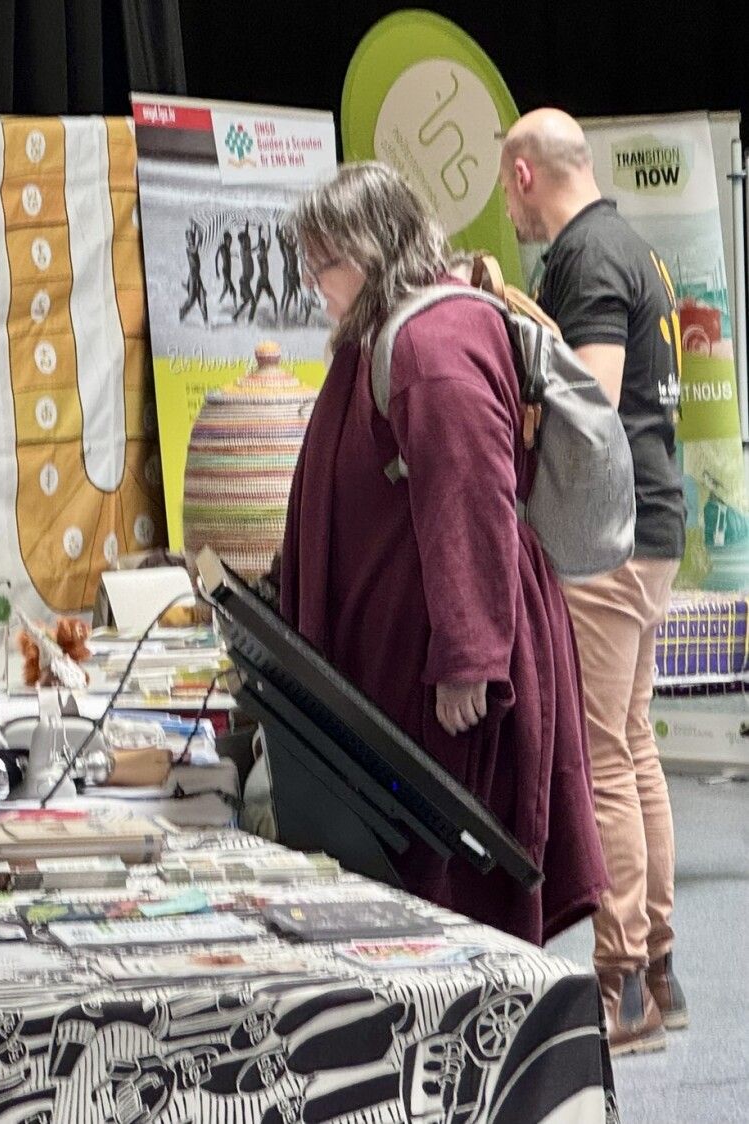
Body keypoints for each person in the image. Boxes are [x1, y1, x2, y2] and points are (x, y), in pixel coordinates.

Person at [280, 161, 606, 945]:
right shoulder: (393, 333)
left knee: (457, 902)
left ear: (372, 250)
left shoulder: (432, 344)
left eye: (325, 264)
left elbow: (472, 495)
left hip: (450, 686)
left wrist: (470, 656)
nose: (316, 286)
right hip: (411, 665)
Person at [501, 108, 687, 1054]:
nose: (510, 209)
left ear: (524, 175)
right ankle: (659, 968)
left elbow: (594, 401)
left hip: (609, 539)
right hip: (654, 525)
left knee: (605, 754)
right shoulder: (632, 246)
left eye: (505, 189)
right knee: (632, 743)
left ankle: (620, 988)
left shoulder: (585, 257)